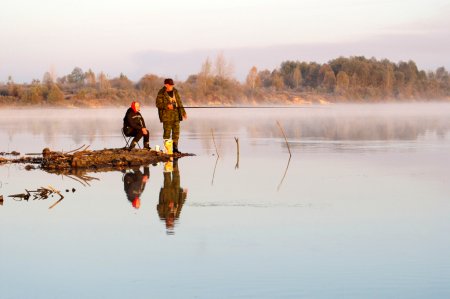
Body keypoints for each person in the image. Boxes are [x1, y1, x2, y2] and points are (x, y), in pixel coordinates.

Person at [155, 78, 187, 153]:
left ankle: (175, 149)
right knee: (167, 134)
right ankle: (167, 150)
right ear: (166, 85)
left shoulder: (175, 91)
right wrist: (167, 106)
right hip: (166, 117)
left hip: (176, 116)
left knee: (176, 133)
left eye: (172, 85)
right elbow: (158, 104)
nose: (171, 86)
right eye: (170, 85)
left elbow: (179, 102)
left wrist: (183, 113)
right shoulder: (161, 92)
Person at [157, 158, 188, 233]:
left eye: (169, 223)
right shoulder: (176, 216)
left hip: (166, 192)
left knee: (167, 175)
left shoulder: (162, 216)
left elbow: (158, 206)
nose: (171, 221)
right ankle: (175, 160)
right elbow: (180, 205)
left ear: (166, 223)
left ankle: (167, 158)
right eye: (171, 223)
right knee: (176, 174)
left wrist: (168, 206)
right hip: (176, 193)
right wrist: (184, 194)